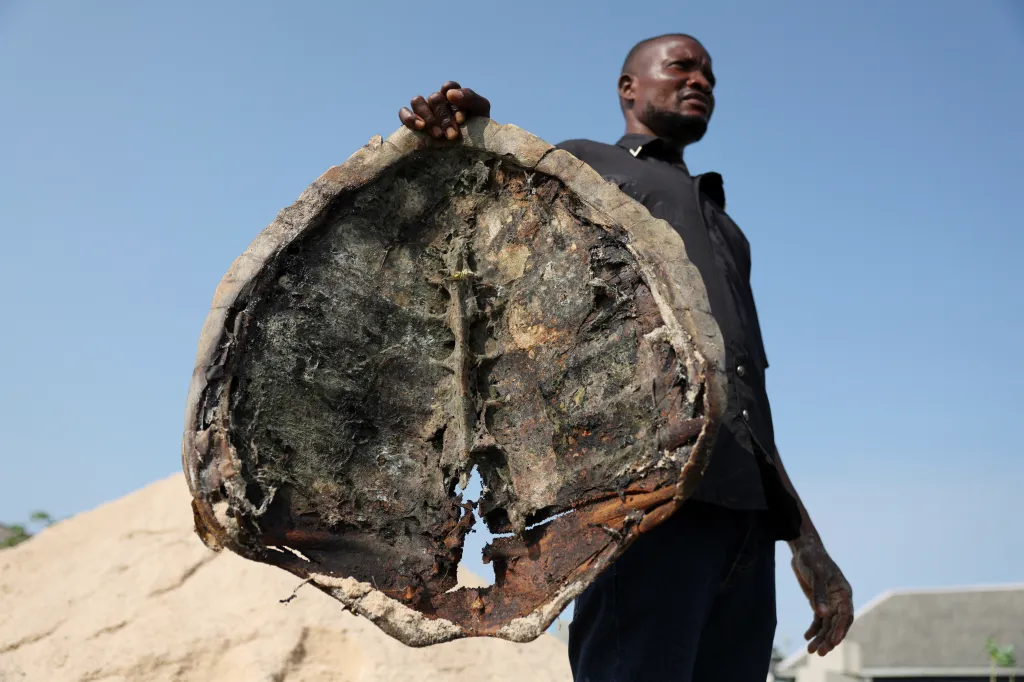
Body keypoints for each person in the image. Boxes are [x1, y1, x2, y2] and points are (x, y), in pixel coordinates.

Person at [398, 33, 854, 682]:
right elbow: (496, 212)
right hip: (643, 504)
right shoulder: (584, 164)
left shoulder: (729, 231)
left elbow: (748, 401)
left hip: (747, 527)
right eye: (681, 67)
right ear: (628, 88)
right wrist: (474, 133)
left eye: (711, 76)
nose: (701, 81)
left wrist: (808, 546)